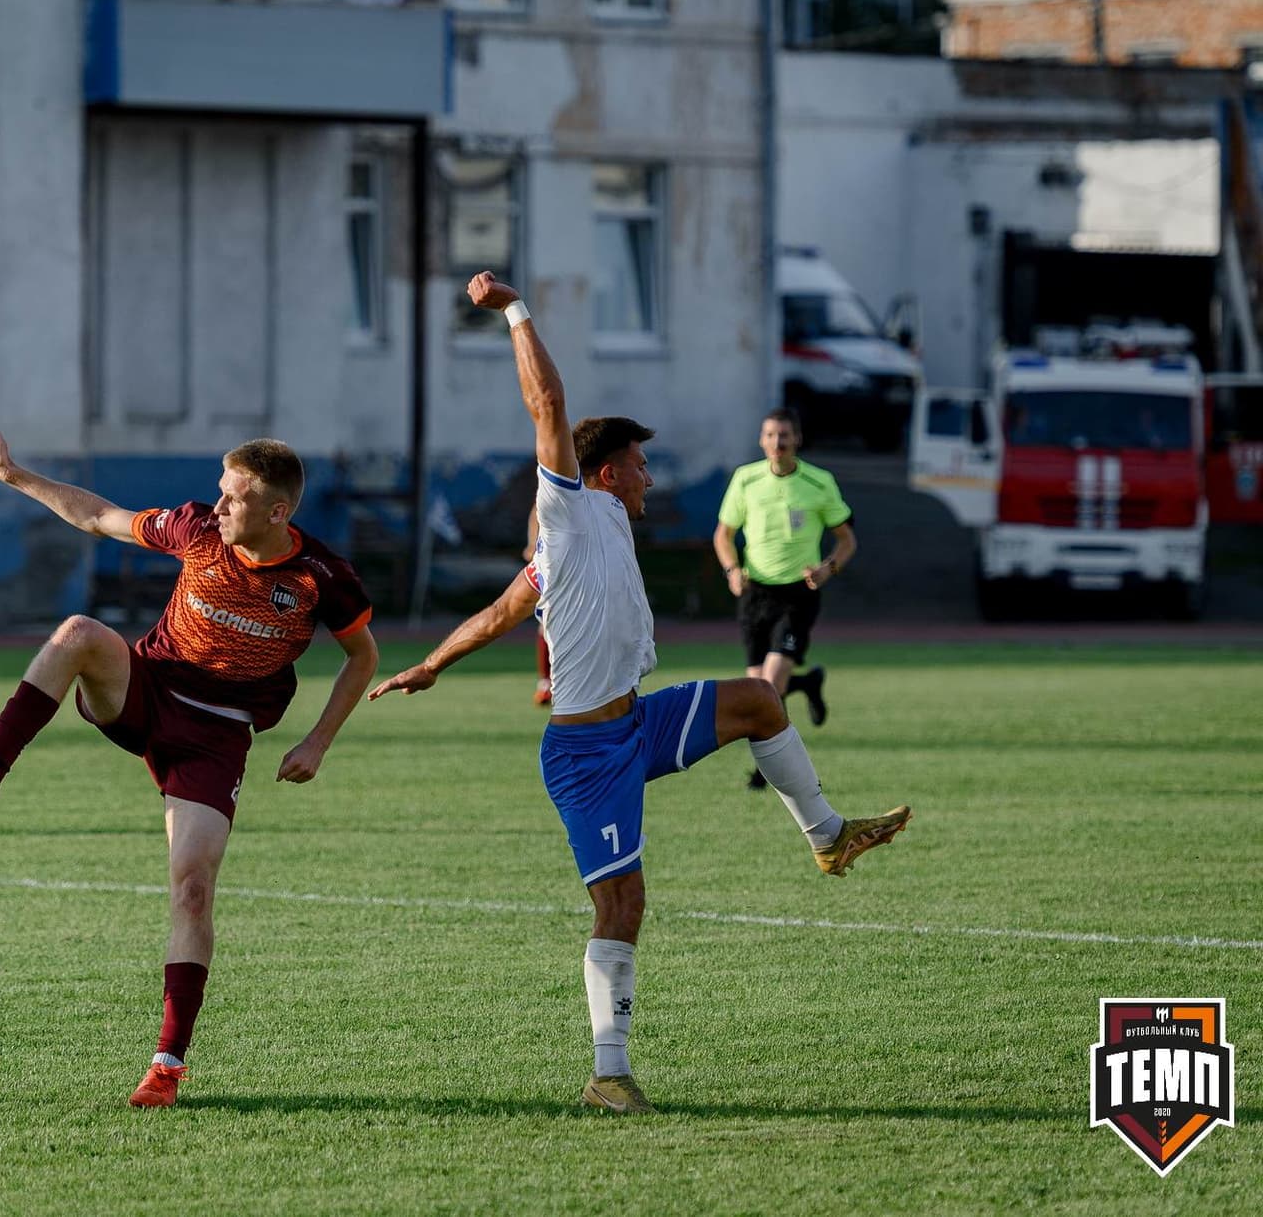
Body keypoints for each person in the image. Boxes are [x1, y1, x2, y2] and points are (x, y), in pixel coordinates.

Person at [368, 274, 909, 1116]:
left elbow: (496, 614)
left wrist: (434, 662)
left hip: (639, 721)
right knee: (624, 902)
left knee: (762, 704)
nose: (652, 476)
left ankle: (830, 837)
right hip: (586, 754)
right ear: (610, 472)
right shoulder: (571, 511)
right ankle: (607, 1074)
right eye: (643, 465)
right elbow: (547, 403)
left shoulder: (603, 527)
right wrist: (514, 310)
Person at [0, 431, 378, 1109]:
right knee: (79, 632)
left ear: (279, 513)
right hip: (147, 693)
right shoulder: (197, 528)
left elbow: (363, 658)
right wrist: (16, 475)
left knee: (193, 891)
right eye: (221, 491)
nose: (219, 506)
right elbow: (98, 515)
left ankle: (166, 1066)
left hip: (215, 739)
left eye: (236, 498)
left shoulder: (322, 578)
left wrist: (317, 742)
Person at [712, 408, 855, 790]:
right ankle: (806, 684)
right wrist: (731, 571)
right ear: (761, 440)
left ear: (797, 440)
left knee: (770, 688)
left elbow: (847, 540)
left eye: (785, 436)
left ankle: (768, 772)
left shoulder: (819, 482)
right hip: (755, 594)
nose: (777, 443)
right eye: (771, 435)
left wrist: (828, 568)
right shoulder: (746, 480)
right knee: (755, 693)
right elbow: (723, 535)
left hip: (797, 594)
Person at [524, 501, 551, 706]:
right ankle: (546, 685)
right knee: (548, 622)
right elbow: (537, 510)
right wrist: (533, 544)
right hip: (558, 565)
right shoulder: (562, 480)